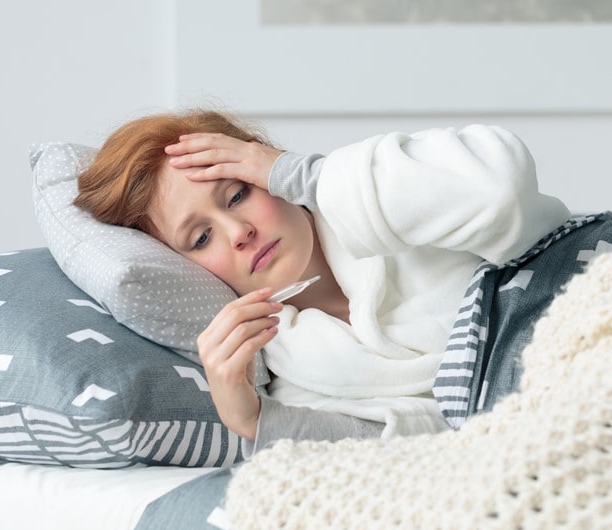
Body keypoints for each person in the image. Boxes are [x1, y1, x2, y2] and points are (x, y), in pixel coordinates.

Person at [74, 109, 577, 451]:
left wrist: (306, 175)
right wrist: (253, 419)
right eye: (201, 239)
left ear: (265, 169)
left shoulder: (381, 197)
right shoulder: (296, 364)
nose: (240, 232)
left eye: (237, 195)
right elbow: (415, 441)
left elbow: (499, 189)